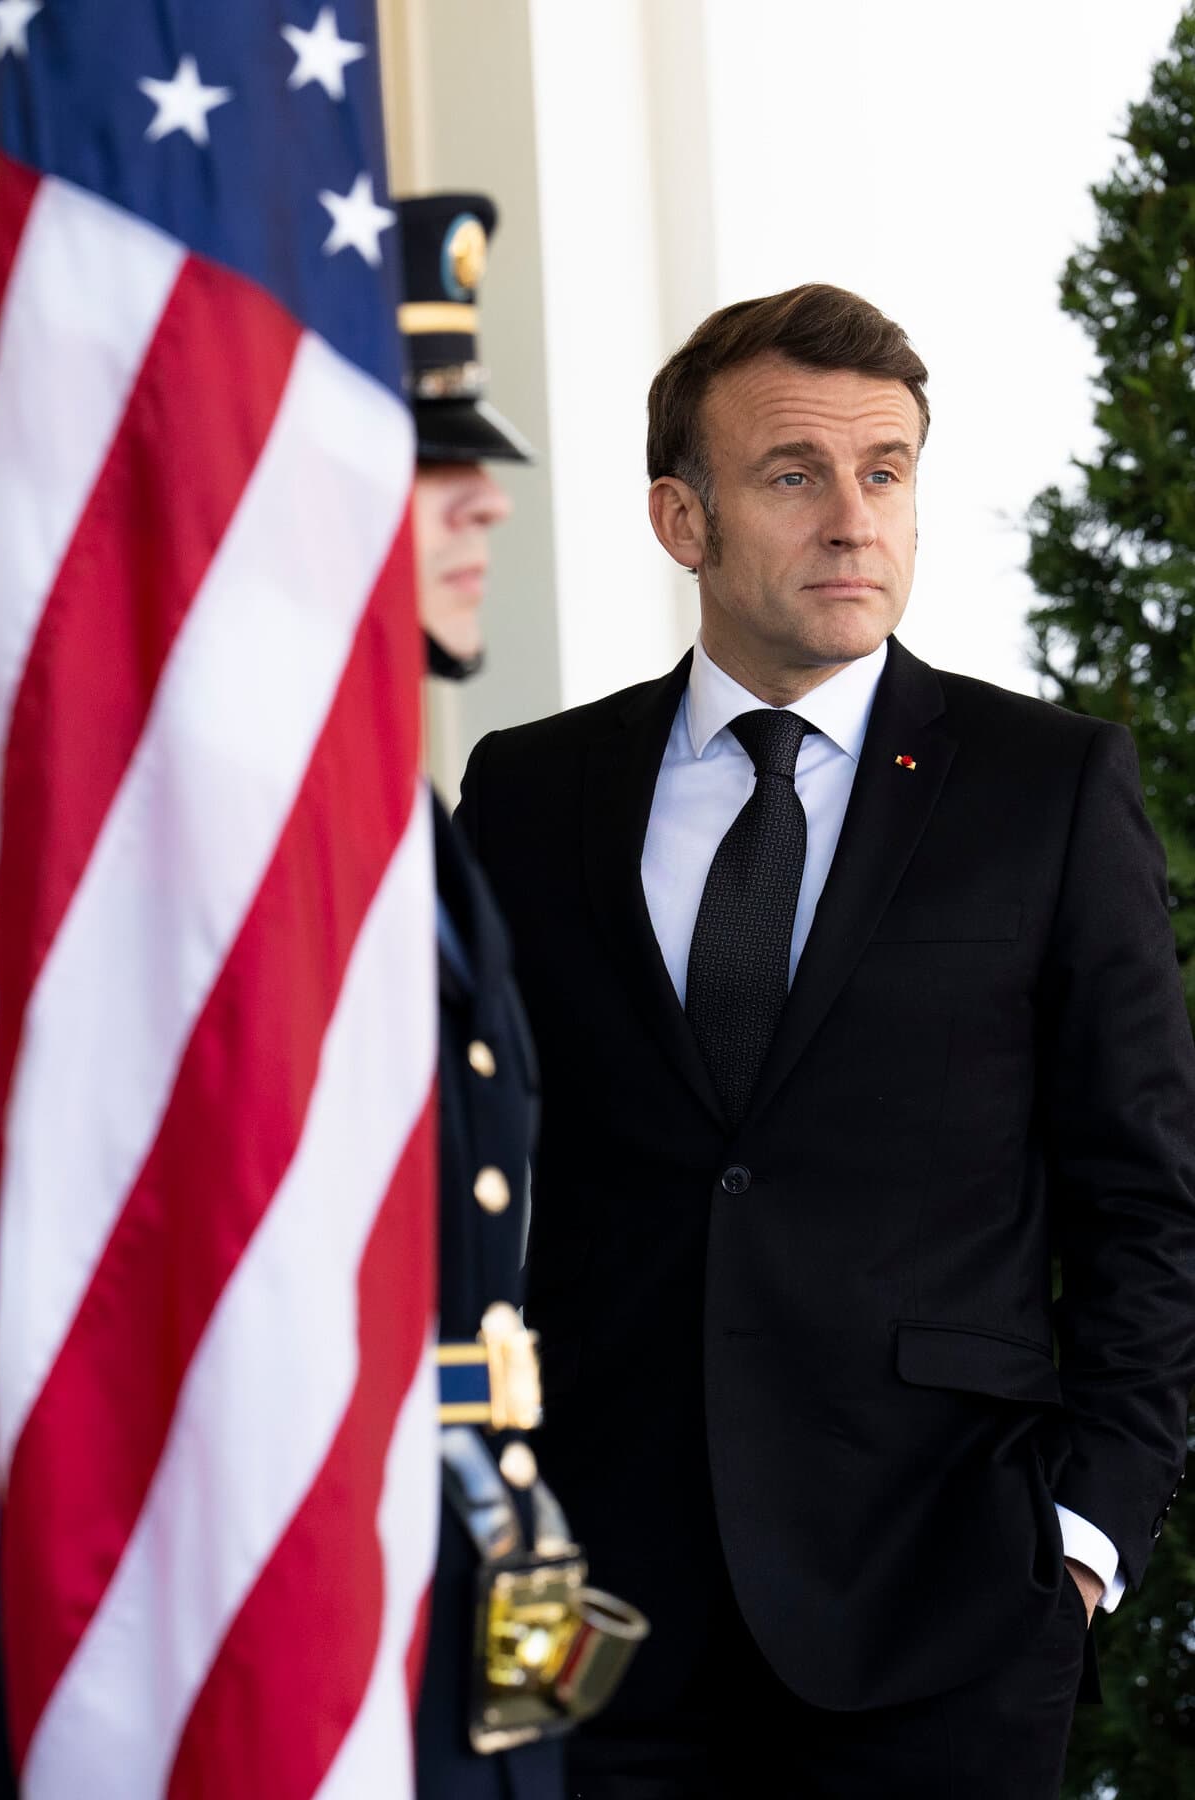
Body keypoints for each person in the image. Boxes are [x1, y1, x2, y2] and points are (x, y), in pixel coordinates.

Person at [456, 283, 1195, 1797]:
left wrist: (1085, 1539)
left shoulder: (1045, 790)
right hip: (584, 1613)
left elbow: (1147, 1200)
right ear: (683, 518)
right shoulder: (530, 796)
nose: (855, 519)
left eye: (888, 471)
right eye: (795, 474)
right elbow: (447, 1166)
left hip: (947, 1604)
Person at [401, 193, 643, 1800]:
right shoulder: (218, 852)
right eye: (422, 466)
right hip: (320, 1595)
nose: (482, 500)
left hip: (472, 1549)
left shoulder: (406, 811)